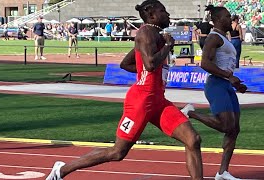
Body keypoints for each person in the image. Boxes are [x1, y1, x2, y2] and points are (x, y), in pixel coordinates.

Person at [46, 1, 203, 180]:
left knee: (193, 140)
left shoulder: (155, 34)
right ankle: (62, 169)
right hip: (141, 102)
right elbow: (151, 64)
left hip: (158, 101)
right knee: (118, 152)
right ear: (152, 16)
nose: (168, 14)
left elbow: (126, 64)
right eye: (163, 11)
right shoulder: (146, 32)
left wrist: (149, 65)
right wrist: (167, 46)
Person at [181, 5, 247, 180]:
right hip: (216, 84)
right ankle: (191, 113)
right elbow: (204, 64)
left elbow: (225, 65)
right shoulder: (213, 37)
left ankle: (222, 172)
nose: (230, 18)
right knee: (226, 125)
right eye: (226, 16)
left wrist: (235, 83)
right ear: (217, 19)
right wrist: (228, 76)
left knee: (234, 130)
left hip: (226, 85)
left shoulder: (224, 38)